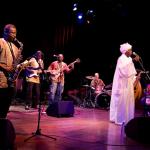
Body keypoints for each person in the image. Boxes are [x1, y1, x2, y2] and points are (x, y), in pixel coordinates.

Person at [109, 42, 140, 125]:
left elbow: (131, 72)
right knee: (121, 102)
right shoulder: (121, 59)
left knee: (127, 101)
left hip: (128, 84)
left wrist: (135, 78)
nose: (131, 51)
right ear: (125, 51)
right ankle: (120, 119)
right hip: (121, 85)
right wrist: (133, 60)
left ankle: (127, 119)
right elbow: (123, 71)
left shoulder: (129, 59)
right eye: (130, 50)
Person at [0, 24, 22, 118]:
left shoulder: (15, 46)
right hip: (1, 77)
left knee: (7, 102)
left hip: (10, 79)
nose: (15, 35)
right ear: (5, 32)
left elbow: (15, 63)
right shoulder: (0, 42)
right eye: (12, 33)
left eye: (15, 33)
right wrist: (5, 68)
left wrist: (18, 62)